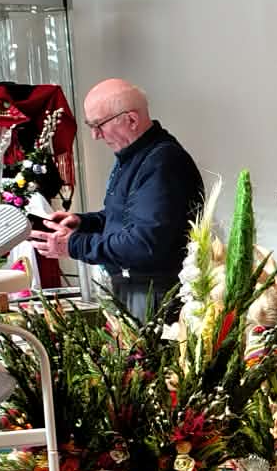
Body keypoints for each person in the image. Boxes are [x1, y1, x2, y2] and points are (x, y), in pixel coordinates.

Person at [32, 79, 201, 321]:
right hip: (140, 291)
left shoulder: (163, 163)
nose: (95, 135)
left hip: (154, 295)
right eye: (91, 126)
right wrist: (82, 222)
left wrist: (74, 244)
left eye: (98, 125)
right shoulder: (138, 156)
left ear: (131, 120)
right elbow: (125, 217)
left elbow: (144, 243)